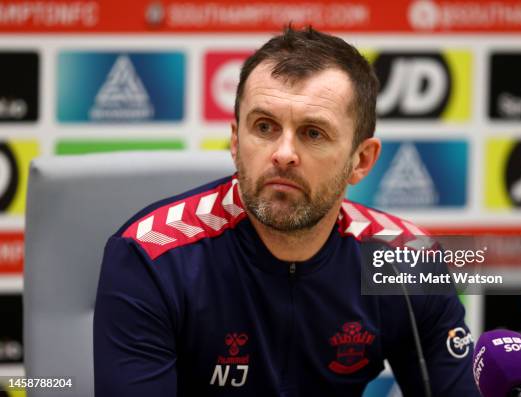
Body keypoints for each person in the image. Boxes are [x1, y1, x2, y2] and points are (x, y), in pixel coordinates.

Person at [94, 26, 479, 396]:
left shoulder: (407, 261)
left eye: (313, 133)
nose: (283, 154)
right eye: (264, 127)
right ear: (234, 140)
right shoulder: (152, 256)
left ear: (361, 160)